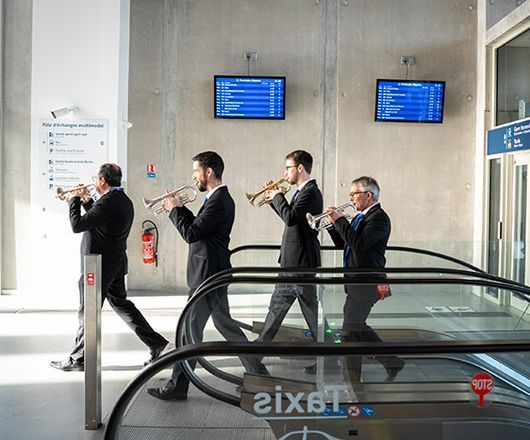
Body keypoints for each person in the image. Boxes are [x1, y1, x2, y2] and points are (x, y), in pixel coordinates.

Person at [147, 151, 268, 401]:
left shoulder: (220, 200)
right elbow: (199, 229)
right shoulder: (216, 199)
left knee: (190, 331)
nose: (193, 177)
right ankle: (259, 376)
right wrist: (180, 208)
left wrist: (175, 210)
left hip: (208, 275)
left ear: (209, 171)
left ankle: (178, 386)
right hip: (210, 272)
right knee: (219, 327)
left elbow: (191, 234)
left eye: (196, 172)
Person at [50, 163, 169, 371]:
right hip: (115, 263)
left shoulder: (108, 202)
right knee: (122, 305)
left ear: (103, 180)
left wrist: (74, 200)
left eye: (95, 178)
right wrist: (88, 202)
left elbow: (77, 225)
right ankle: (157, 344)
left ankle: (79, 359)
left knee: (88, 312)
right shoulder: (121, 200)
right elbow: (100, 222)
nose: (93, 181)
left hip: (98, 266)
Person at [325, 176, 404, 382]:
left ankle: (352, 379)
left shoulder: (379, 219)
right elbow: (345, 244)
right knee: (356, 327)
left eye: (354, 194)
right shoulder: (360, 217)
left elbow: (359, 244)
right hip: (356, 283)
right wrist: (333, 226)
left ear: (368, 195)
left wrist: (340, 220)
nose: (350, 198)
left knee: (349, 332)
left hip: (368, 284)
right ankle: (392, 362)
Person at [257, 150, 323, 356]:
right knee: (285, 309)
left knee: (293, 311)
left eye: (288, 168)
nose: (285, 173)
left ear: (300, 168)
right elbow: (291, 219)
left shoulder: (310, 192)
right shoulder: (302, 192)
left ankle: (257, 351)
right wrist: (273, 201)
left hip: (299, 263)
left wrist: (278, 197)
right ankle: (257, 351)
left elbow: (291, 218)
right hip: (295, 261)